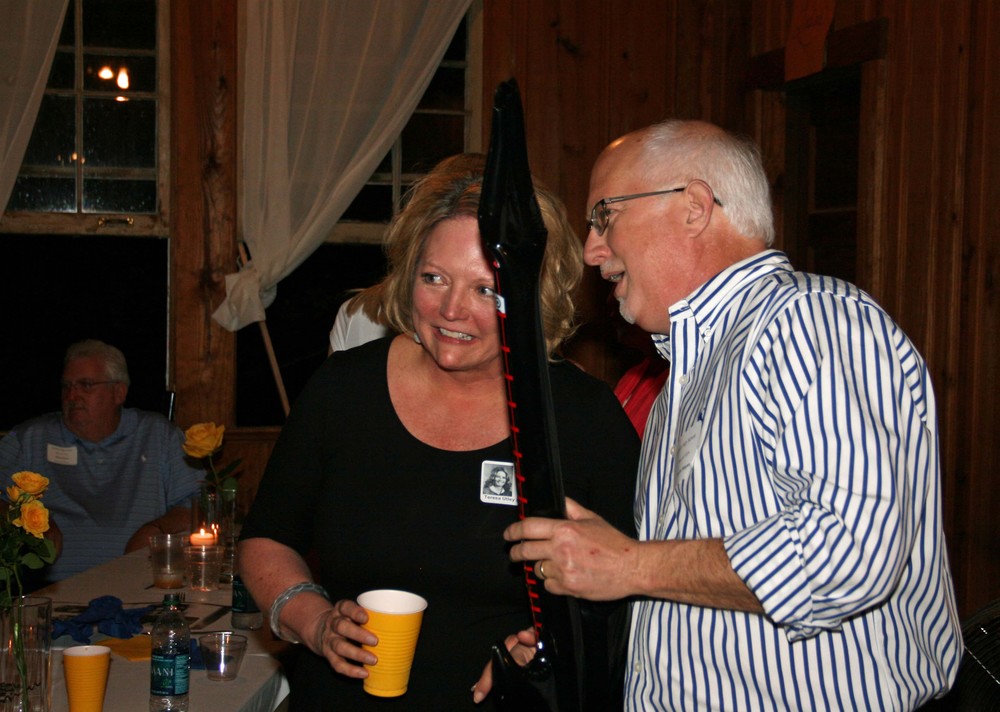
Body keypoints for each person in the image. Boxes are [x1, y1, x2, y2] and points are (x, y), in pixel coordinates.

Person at [492, 120, 963, 710]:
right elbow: (687, 603)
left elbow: (848, 551)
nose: (592, 250)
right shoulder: (685, 379)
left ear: (694, 206)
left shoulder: (807, 319)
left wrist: (630, 565)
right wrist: (573, 644)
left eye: (605, 216)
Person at [238, 153, 639, 710]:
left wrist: (553, 649)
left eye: (485, 290)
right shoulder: (344, 390)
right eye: (434, 278)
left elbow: (632, 594)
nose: (452, 309)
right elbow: (266, 538)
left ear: (533, 293)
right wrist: (314, 620)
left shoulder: (583, 418)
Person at [0, 339, 202, 581]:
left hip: (139, 582)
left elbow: (196, 503)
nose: (72, 395)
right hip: (53, 588)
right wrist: (30, 520)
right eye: (66, 386)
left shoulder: (158, 434)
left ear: (119, 392)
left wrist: (156, 530)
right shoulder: (30, 439)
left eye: (85, 385)